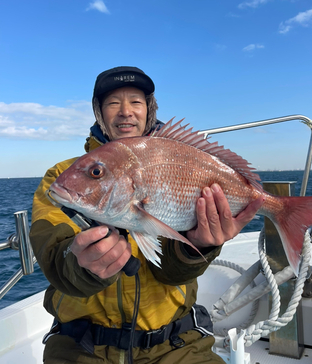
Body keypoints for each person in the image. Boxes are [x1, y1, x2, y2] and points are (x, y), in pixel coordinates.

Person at [30, 66, 262, 364]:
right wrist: (82, 266)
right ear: (99, 113)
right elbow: (53, 261)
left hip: (176, 345)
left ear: (149, 110)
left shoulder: (177, 155)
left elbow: (171, 274)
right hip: (82, 347)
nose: (125, 112)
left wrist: (200, 247)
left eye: (136, 102)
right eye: (113, 103)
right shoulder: (61, 176)